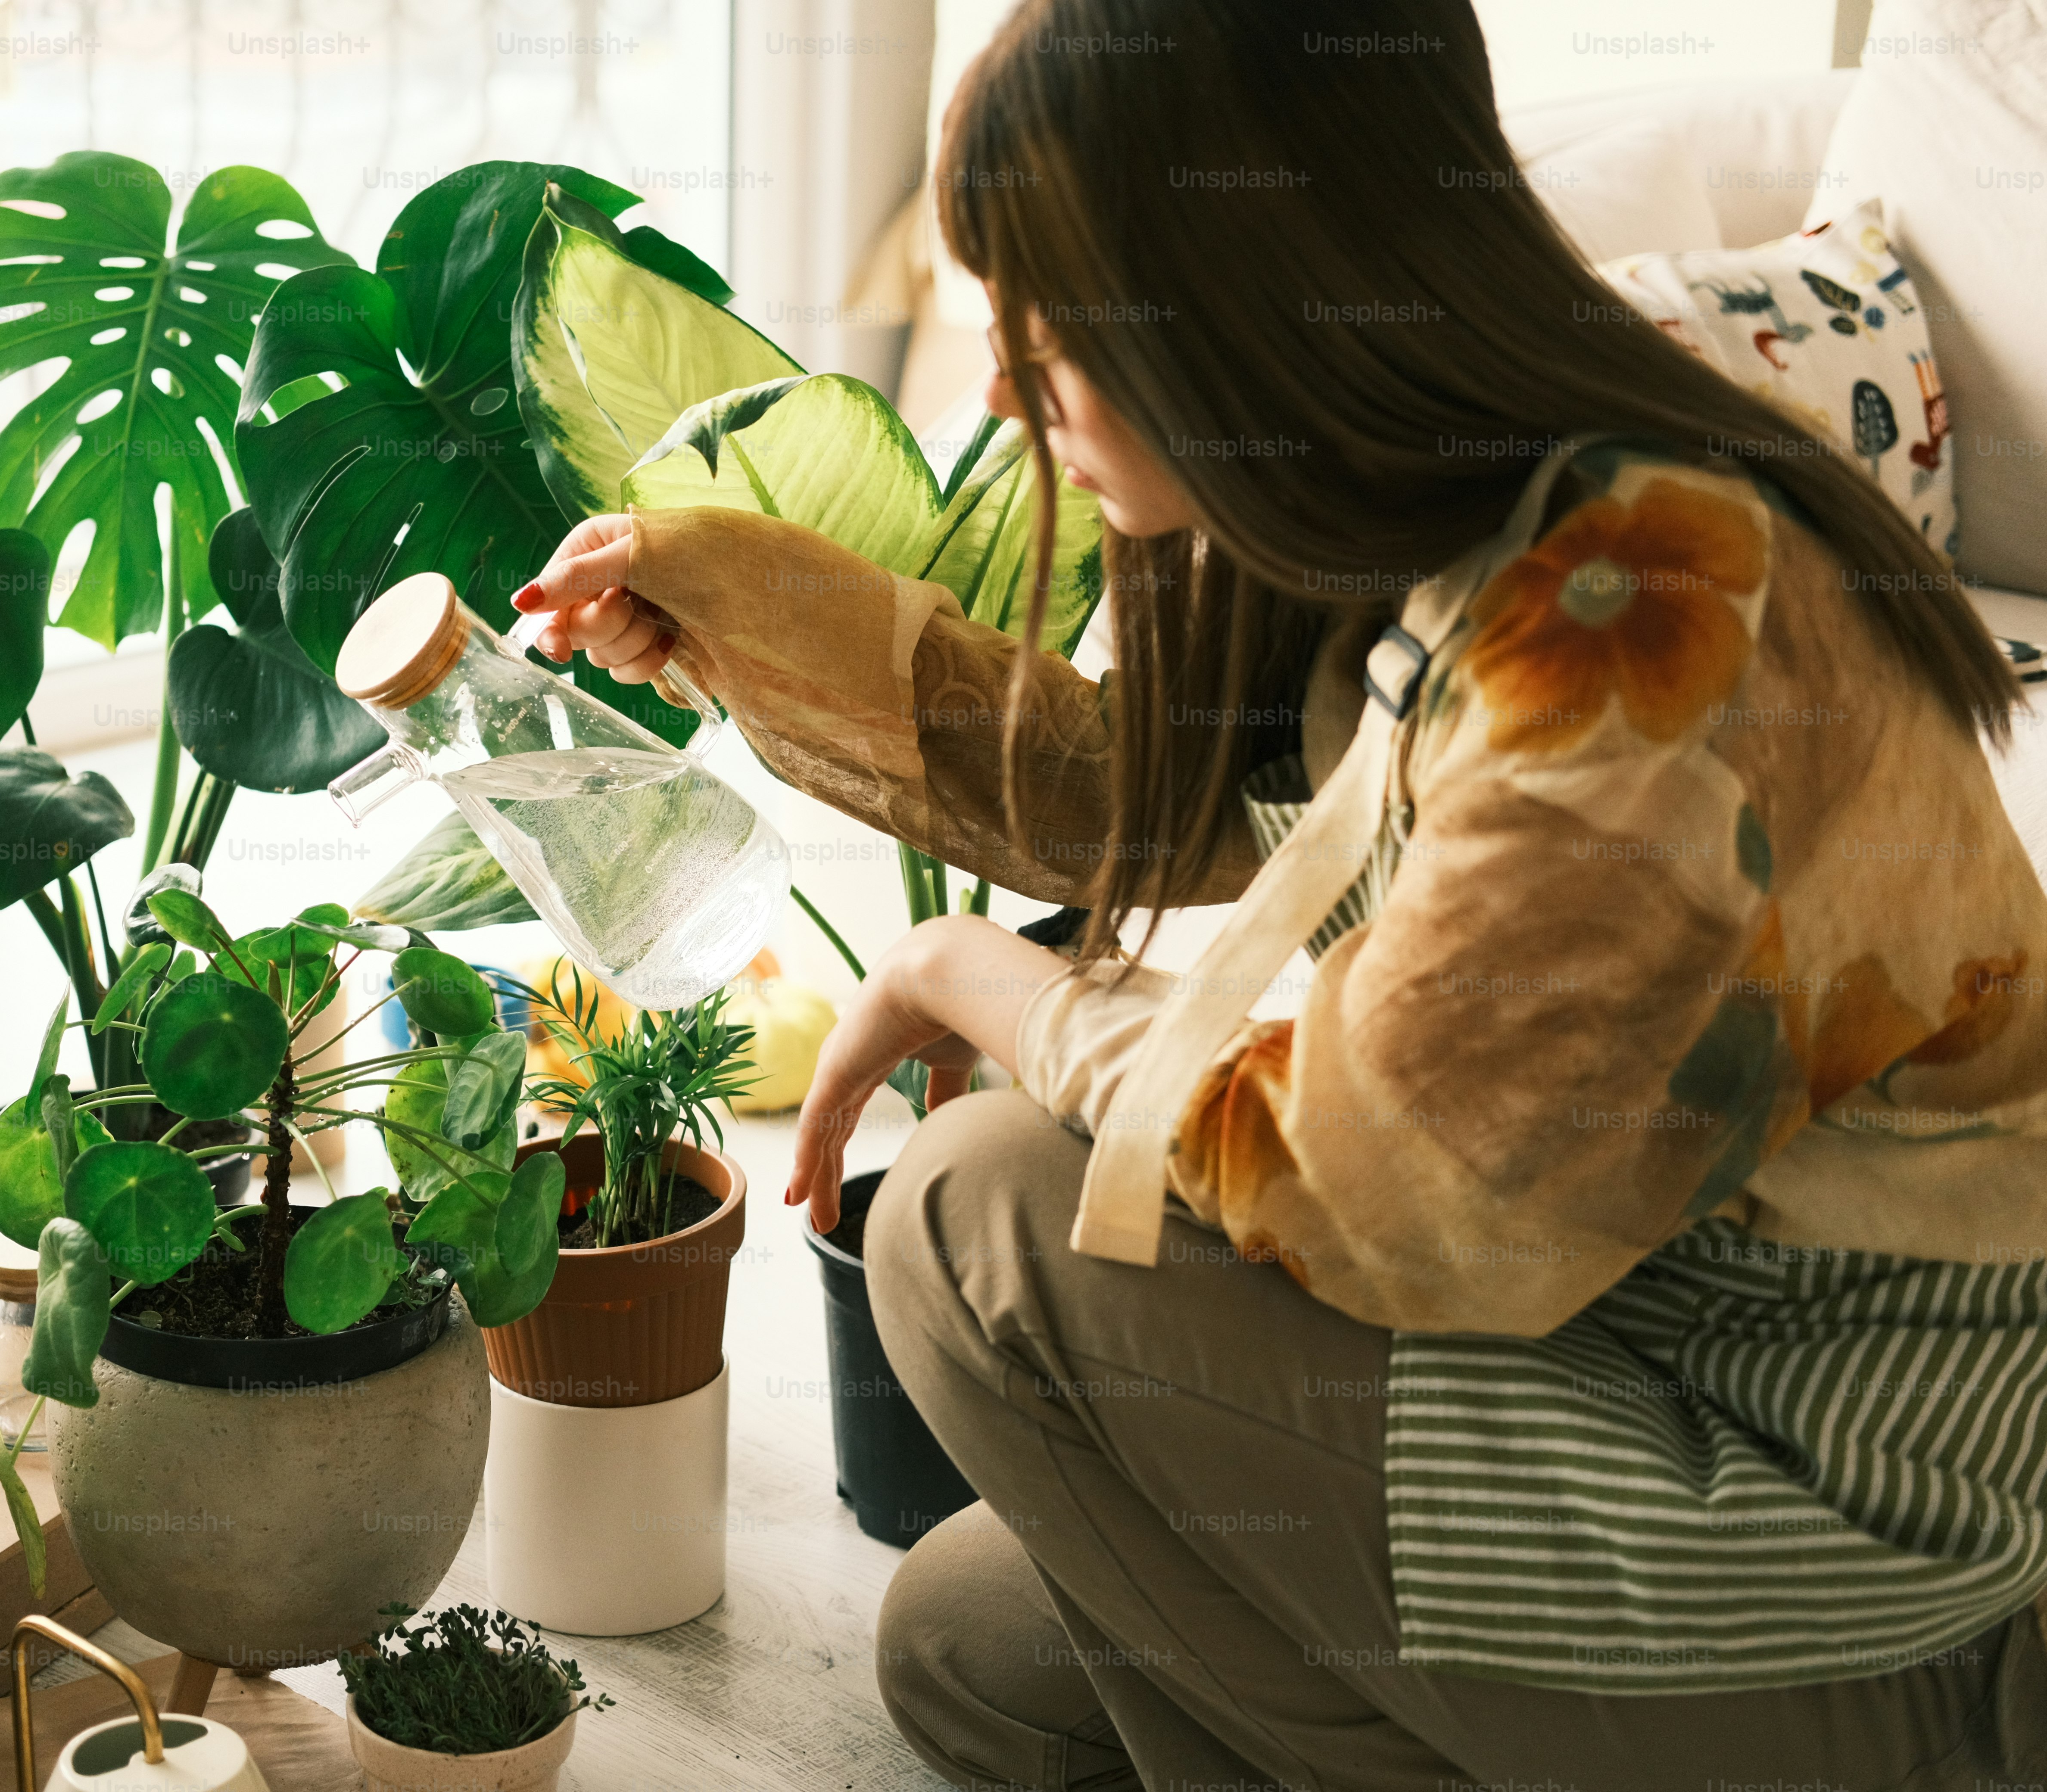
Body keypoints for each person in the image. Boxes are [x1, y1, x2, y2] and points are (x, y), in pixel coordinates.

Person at [516, 0, 2047, 1785]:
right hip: (1628, 1345)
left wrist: (985, 982)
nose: (1005, 387)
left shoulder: (1639, 622)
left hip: (1871, 1537)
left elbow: (1369, 1192)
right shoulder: (1422, 489)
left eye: (1051, 327)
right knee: (970, 1648)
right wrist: (728, 593)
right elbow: (1131, 790)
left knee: (982, 1210)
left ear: (1243, 291)